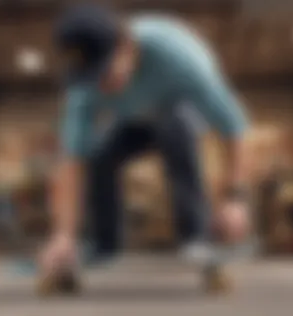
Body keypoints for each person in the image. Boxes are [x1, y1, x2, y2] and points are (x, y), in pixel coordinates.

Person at [39, 3, 250, 292]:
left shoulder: (180, 59)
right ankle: (103, 244)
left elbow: (234, 128)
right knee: (99, 153)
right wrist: (63, 235)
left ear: (127, 46)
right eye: (91, 78)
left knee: (176, 132)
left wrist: (235, 197)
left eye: (105, 74)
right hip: (131, 120)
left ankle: (195, 237)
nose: (99, 87)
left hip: (179, 111)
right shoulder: (84, 89)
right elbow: (72, 161)